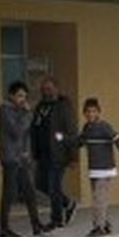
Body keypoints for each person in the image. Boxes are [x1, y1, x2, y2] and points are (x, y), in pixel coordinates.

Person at [71, 97, 119, 237]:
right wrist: (63, 140)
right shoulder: (87, 128)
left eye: (94, 111)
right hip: (93, 170)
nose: (90, 114)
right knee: (99, 198)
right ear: (84, 113)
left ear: (99, 112)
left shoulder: (105, 126)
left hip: (105, 169)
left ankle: (98, 227)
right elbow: (78, 142)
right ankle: (105, 224)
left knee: (98, 199)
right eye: (88, 112)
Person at [0, 81, 44, 237]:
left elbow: (26, 135)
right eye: (20, 96)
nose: (23, 99)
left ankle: (36, 224)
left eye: (25, 96)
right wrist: (28, 114)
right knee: (9, 193)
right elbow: (16, 131)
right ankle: (4, 227)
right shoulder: (4, 111)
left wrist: (27, 152)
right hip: (10, 157)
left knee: (29, 191)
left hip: (22, 157)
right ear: (11, 96)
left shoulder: (20, 111)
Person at [32, 77, 79, 228]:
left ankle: (56, 219)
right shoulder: (40, 106)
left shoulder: (63, 106)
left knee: (53, 186)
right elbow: (35, 128)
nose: (46, 92)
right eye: (44, 89)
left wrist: (73, 156)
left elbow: (71, 131)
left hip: (58, 154)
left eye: (49, 89)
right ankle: (68, 203)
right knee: (41, 184)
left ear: (57, 88)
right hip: (43, 153)